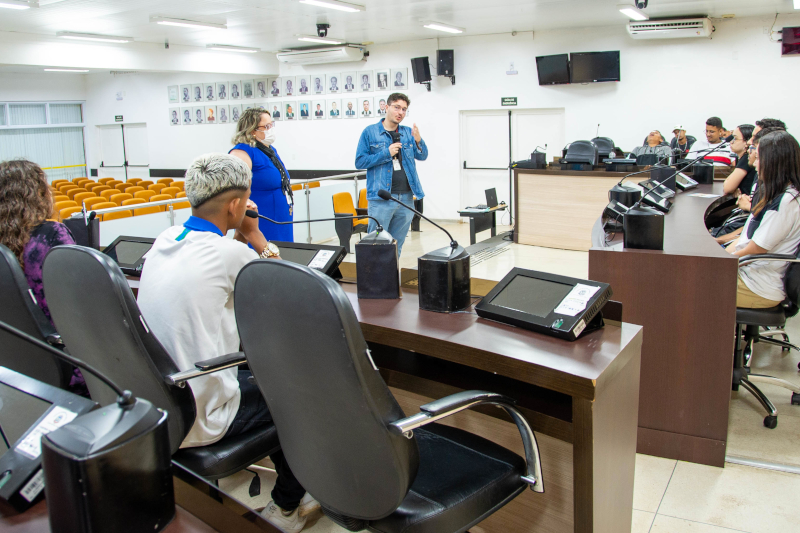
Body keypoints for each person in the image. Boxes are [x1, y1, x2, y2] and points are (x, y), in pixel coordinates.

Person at [137, 153, 316, 532]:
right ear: (237, 204)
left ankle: (299, 481)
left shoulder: (167, 238)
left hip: (160, 399)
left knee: (268, 383)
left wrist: (236, 233)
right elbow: (291, 288)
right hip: (203, 412)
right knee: (304, 395)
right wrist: (252, 234)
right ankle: (288, 505)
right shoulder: (230, 252)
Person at [0, 160, 86, 395]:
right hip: (67, 363)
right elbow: (82, 299)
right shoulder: (52, 235)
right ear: (38, 193)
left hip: (18, 363)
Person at [729, 130, 800, 309]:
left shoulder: (787, 202)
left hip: (757, 286)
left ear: (774, 163)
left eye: (759, 159)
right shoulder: (779, 193)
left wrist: (725, 260)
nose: (755, 164)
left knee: (691, 287)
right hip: (751, 275)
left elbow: (758, 246)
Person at [355, 93, 428, 256]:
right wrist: (386, 153)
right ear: (386, 107)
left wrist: (418, 140)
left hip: (406, 198)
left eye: (404, 109)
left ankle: (390, 280)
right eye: (396, 107)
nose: (400, 112)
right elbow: (360, 162)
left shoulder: (408, 132)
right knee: (375, 244)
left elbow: (422, 156)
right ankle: (373, 280)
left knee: (397, 244)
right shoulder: (370, 132)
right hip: (382, 199)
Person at [230, 108, 294, 242]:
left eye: (272, 125)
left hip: (280, 219)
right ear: (252, 130)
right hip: (262, 220)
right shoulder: (243, 151)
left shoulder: (269, 150)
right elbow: (236, 187)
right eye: (267, 126)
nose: (271, 129)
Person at [723, 124, 756, 195]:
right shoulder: (743, 157)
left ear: (747, 142)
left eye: (735, 138)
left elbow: (727, 188)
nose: (731, 142)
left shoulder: (747, 158)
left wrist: (733, 187)